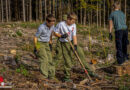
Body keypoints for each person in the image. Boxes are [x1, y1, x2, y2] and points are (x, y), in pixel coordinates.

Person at [54, 12, 99, 82]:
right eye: (72, 21)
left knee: (81, 54)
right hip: (64, 43)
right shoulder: (61, 24)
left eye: (74, 21)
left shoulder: (74, 25)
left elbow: (74, 35)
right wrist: (61, 36)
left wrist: (75, 45)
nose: (73, 22)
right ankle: (67, 77)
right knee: (68, 60)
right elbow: (54, 33)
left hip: (72, 41)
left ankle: (89, 71)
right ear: (68, 19)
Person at [34, 14, 55, 79]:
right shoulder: (41, 27)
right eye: (50, 23)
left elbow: (51, 34)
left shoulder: (52, 26)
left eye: (53, 23)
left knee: (50, 59)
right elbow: (35, 37)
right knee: (44, 59)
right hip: (40, 43)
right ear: (47, 21)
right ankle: (44, 75)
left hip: (47, 43)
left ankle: (51, 75)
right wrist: (36, 47)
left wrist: (50, 43)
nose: (52, 25)